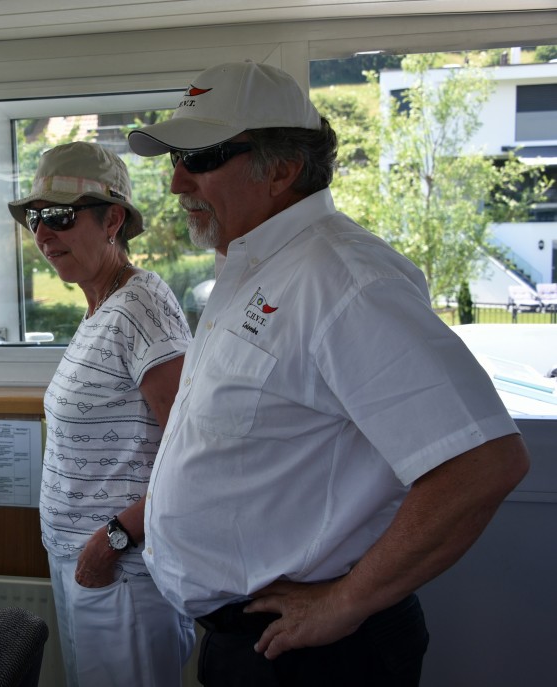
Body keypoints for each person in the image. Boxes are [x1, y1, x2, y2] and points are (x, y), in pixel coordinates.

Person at [128, 61, 531, 686]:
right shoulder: (255, 267)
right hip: (250, 641)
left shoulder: (344, 279)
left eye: (200, 157)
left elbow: (483, 462)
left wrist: (346, 601)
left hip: (319, 655)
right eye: (177, 158)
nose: (177, 180)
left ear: (282, 168)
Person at [7, 141, 195, 686]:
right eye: (36, 219)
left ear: (112, 220)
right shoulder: (102, 308)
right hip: (87, 564)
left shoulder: (141, 307)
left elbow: (194, 455)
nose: (44, 234)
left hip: (122, 572)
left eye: (60, 216)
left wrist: (111, 540)